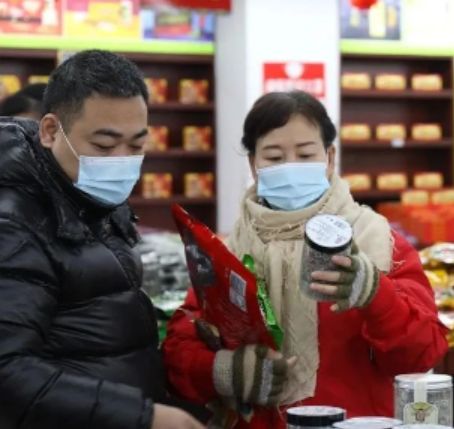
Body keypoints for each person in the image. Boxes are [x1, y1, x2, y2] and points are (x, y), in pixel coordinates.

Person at [162, 90, 449, 429]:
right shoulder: (226, 252)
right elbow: (179, 352)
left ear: (329, 158)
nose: (290, 167)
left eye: (305, 153)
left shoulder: (378, 242)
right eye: (274, 156)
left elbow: (422, 355)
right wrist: (223, 371)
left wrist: (376, 294)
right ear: (254, 165)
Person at [0, 50, 204, 429]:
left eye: (137, 145)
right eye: (104, 146)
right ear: (49, 131)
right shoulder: (13, 223)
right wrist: (144, 417)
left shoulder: (88, 197)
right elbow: (8, 370)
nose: (122, 161)